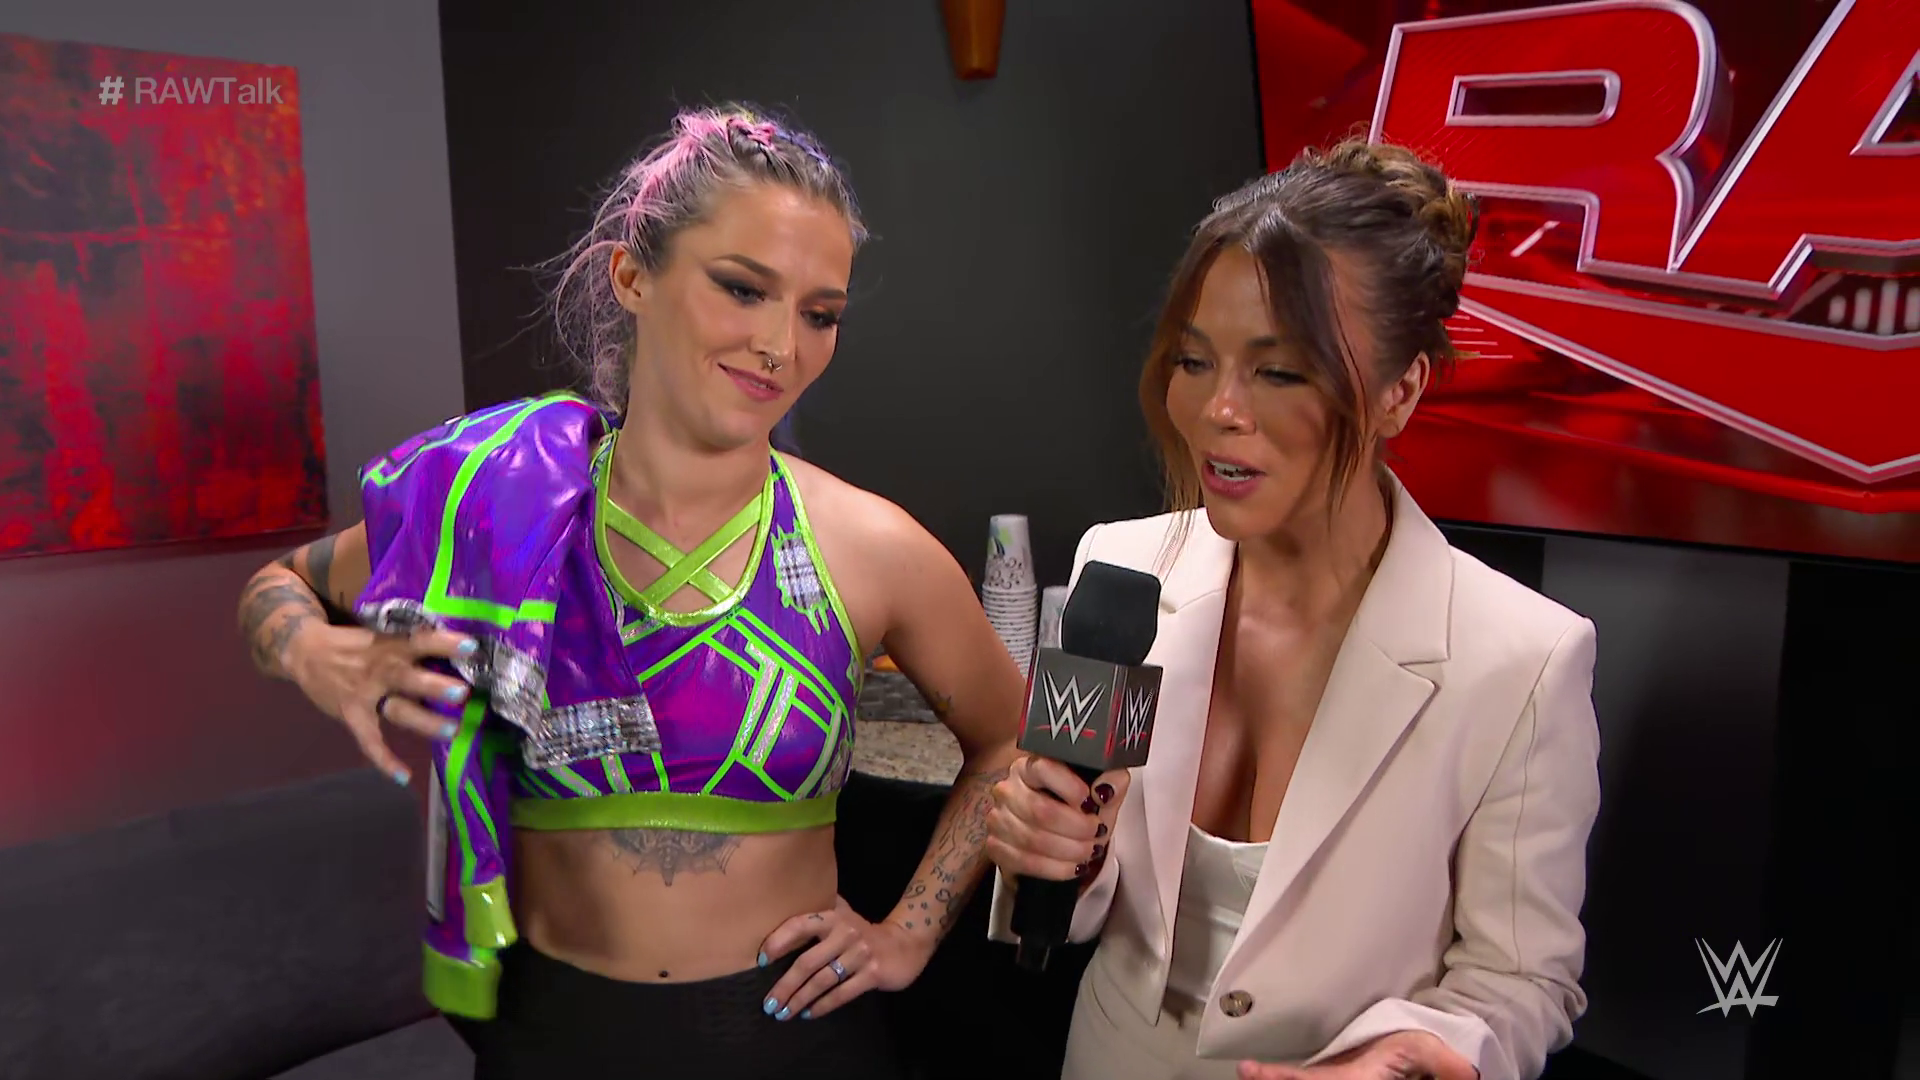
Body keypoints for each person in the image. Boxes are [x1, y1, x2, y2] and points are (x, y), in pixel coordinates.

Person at [237, 104, 1023, 1080]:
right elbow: (280, 585)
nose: (781, 344)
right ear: (632, 276)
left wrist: (908, 930)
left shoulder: (870, 547)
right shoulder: (493, 509)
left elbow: (1009, 740)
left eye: (819, 314)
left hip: (792, 1040)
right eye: (743, 288)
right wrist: (313, 650)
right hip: (549, 1037)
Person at [982, 139, 1602, 1080]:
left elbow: (1521, 982)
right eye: (1195, 360)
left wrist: (1406, 1061)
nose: (1217, 410)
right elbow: (1086, 887)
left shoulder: (1522, 660)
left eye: (1278, 372)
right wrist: (1055, 850)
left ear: (1400, 391)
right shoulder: (1122, 568)